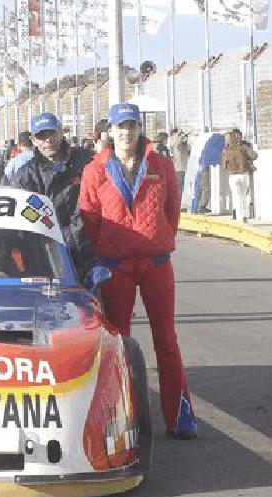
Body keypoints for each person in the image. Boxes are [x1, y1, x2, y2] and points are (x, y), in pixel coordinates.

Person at [79, 103, 197, 440]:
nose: (126, 133)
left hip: (156, 263)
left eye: (131, 126)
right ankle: (120, 417)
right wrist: (110, 244)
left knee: (167, 340)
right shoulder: (95, 170)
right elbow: (89, 218)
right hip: (116, 266)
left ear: (138, 128)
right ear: (110, 131)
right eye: (120, 127)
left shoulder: (160, 164)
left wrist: (158, 239)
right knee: (119, 342)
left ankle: (179, 415)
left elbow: (172, 211)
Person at [14, 112, 95, 280]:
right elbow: (24, 212)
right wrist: (49, 230)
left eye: (51, 133)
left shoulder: (86, 160)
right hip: (49, 256)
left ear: (60, 132)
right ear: (34, 140)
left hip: (89, 251)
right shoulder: (25, 175)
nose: (48, 140)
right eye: (41, 136)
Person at [221, 131, 252, 223]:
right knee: (244, 196)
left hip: (234, 176)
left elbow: (224, 166)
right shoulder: (243, 148)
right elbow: (254, 155)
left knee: (236, 197)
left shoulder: (226, 151)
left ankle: (240, 218)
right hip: (244, 175)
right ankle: (246, 215)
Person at [168, 128, 191, 194]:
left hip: (183, 169)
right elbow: (176, 143)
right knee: (179, 188)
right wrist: (179, 134)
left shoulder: (184, 146)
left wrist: (186, 136)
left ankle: (179, 201)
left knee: (182, 188)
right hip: (179, 170)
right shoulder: (177, 145)